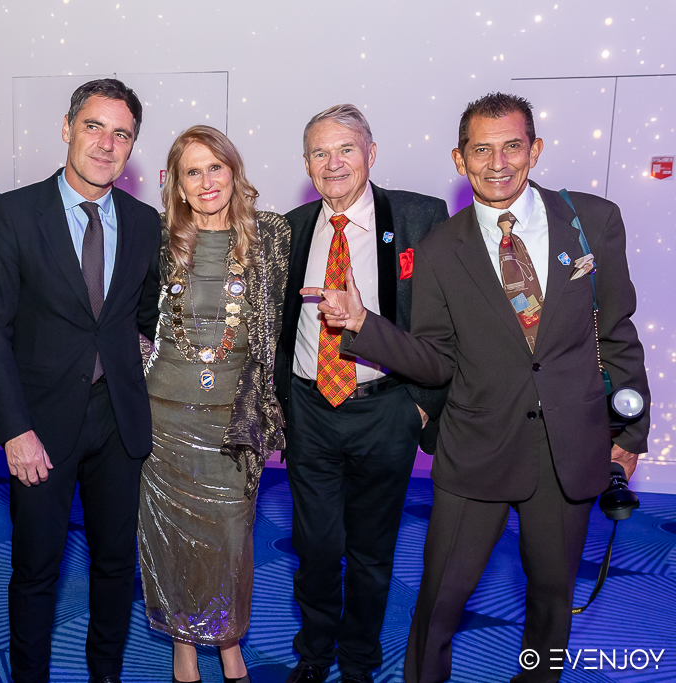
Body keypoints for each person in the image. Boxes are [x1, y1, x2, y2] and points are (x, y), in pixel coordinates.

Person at [313, 92, 650, 683]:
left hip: (569, 447)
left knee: (552, 601)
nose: (498, 163)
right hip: (477, 448)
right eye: (481, 150)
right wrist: (364, 325)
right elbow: (437, 359)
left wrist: (631, 432)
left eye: (512, 146)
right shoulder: (441, 248)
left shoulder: (592, 222)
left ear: (535, 150)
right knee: (439, 601)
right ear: (459, 158)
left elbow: (616, 332)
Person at [0, 78, 161, 683]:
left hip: (118, 422)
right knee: (35, 569)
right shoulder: (14, 214)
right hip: (40, 427)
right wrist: (14, 431)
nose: (106, 144)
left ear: (132, 146)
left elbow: (146, 316)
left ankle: (106, 674)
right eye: (93, 127)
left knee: (115, 564)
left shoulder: (144, 222)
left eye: (121, 134)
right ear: (66, 129)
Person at [273, 105, 449, 683]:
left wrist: (421, 406)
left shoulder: (421, 217)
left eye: (346, 149)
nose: (334, 163)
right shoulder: (290, 228)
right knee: (315, 547)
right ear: (306, 164)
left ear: (371, 153)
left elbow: (449, 324)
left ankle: (358, 663)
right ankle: (313, 653)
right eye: (320, 153)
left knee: (372, 555)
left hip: (387, 410)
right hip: (311, 411)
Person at [139, 125, 289, 683]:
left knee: (230, 539)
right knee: (172, 539)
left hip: (234, 422)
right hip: (162, 419)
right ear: (177, 184)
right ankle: (183, 649)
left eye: (215, 168)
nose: (206, 182)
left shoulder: (270, 236)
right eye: (192, 172)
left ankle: (229, 643)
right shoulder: (158, 239)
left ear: (234, 171)